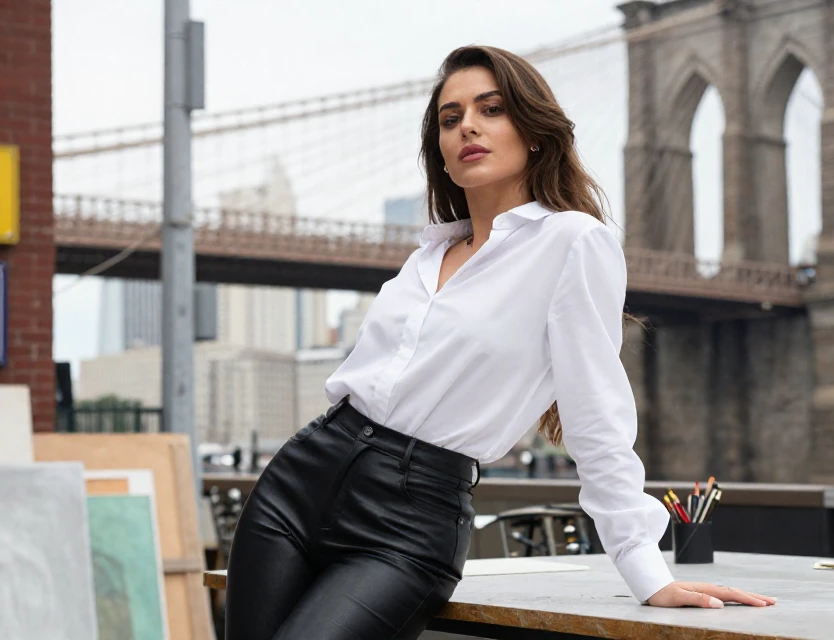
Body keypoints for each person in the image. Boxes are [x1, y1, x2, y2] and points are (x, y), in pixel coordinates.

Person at [224, 45, 776, 640]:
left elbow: (596, 407)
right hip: (300, 479)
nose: (469, 127)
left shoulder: (573, 243)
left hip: (409, 522)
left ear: (534, 131)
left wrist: (645, 570)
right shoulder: (426, 256)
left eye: (492, 109)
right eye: (450, 117)